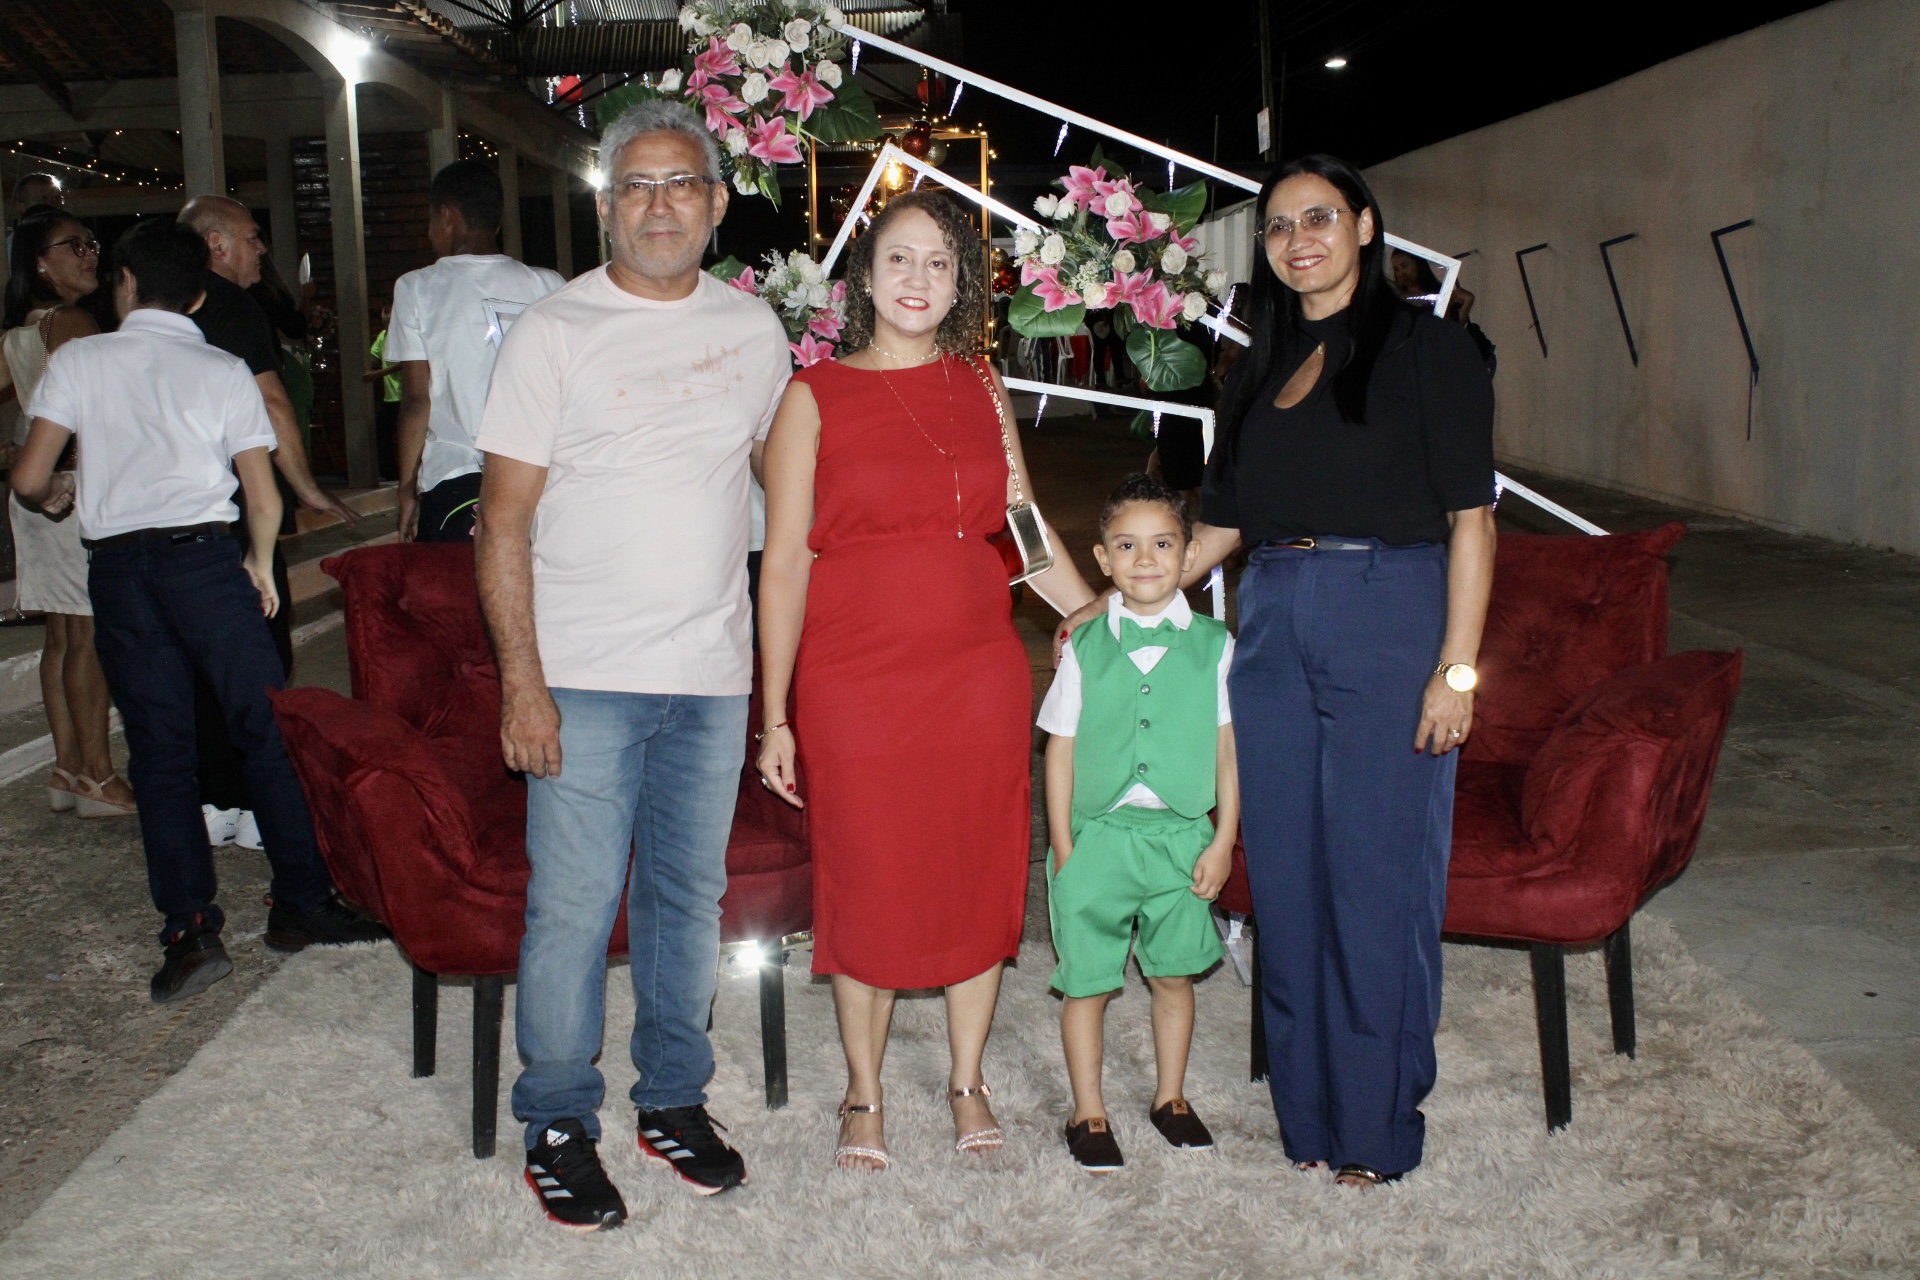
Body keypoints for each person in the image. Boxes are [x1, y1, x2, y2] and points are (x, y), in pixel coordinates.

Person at [1059, 154, 1496, 1188]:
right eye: (1280, 226)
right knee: (1288, 886)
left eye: (1320, 217)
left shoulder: (1430, 347)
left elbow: (1474, 520)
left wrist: (1457, 671)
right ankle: (1309, 1117)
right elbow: (1222, 523)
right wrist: (1120, 598)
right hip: (1270, 621)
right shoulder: (1256, 365)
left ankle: (1377, 1126)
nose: (1300, 240)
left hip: (1388, 609)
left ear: (1365, 225)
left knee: (1376, 883)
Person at [474, 100, 788, 1231]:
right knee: (572, 905)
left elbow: (789, 488)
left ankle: (672, 1099)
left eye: (681, 184)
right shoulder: (554, 331)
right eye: (637, 187)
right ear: (606, 206)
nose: (661, 205)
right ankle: (558, 1118)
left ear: (716, 203)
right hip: (585, 675)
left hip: (711, 670)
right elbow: (501, 523)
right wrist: (524, 683)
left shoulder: (754, 330)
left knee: (685, 899)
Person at [756, 189, 1096, 1173]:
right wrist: (775, 713)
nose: (918, 278)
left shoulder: (980, 384)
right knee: (867, 873)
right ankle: (862, 1089)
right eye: (899, 258)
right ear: (865, 278)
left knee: (976, 869)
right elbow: (785, 564)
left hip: (976, 675)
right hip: (855, 680)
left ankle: (966, 1077)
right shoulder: (813, 395)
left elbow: (1022, 525)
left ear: (960, 285)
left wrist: (1094, 611)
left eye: (940, 263)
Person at [9, 218, 387, 1003]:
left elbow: (29, 478)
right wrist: (260, 563)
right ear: (198, 295)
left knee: (160, 751)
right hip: (208, 564)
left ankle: (188, 931)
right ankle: (301, 901)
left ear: (125, 284)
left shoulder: (80, 360)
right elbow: (260, 492)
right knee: (264, 730)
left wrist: (54, 497)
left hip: (122, 572)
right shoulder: (221, 367)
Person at [1038, 473, 1237, 1174]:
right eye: (1126, 545)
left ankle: (1170, 1096)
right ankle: (1087, 1110)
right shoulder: (1083, 645)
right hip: (1099, 837)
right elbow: (1059, 750)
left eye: (1162, 544)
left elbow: (1226, 750)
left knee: (1174, 975)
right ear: (1102, 558)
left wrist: (1222, 839)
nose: (1145, 559)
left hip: (1182, 840)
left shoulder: (1216, 644)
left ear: (1189, 555)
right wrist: (1065, 848)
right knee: (1088, 980)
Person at [178, 195, 356, 852]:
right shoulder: (233, 307)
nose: (260, 250)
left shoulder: (160, 313)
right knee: (261, 654)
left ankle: (214, 797)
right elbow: (271, 401)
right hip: (238, 509)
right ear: (217, 245)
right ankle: (259, 805)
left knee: (201, 663)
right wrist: (306, 487)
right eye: (252, 237)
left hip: (181, 514)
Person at [0, 208, 137, 817]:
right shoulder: (76, 322)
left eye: (90, 242)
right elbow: (97, 411)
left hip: (37, 493)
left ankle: (67, 768)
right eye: (72, 245)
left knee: (60, 636)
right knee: (87, 635)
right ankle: (99, 777)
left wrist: (16, 455)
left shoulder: (19, 331)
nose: (89, 254)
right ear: (39, 263)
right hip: (74, 486)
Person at [390, 159, 563, 543]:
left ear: (447, 216)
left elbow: (417, 400)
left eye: (431, 220)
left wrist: (406, 487)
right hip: (539, 475)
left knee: (457, 581)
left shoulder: (417, 288)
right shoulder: (548, 284)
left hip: (456, 476)